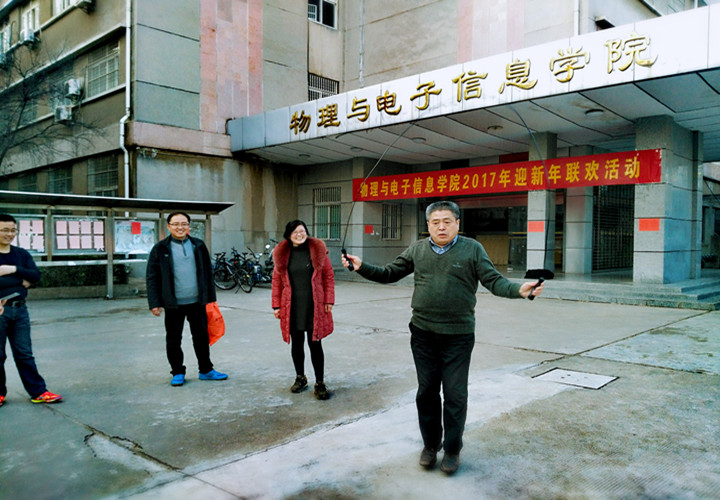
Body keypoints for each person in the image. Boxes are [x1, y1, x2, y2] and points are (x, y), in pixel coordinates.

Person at [342, 200, 544, 475]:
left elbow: (494, 281)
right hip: (423, 334)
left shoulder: (472, 249)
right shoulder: (417, 250)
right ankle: (430, 445)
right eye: (435, 222)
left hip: (458, 336)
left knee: (455, 395)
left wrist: (519, 290)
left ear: (458, 223)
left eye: (447, 221)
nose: (441, 227)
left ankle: (452, 449)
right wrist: (361, 266)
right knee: (426, 393)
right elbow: (390, 273)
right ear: (428, 225)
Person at [146, 212, 227, 386]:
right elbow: (152, 277)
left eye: (184, 224)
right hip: (173, 304)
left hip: (197, 302)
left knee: (201, 337)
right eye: (175, 224)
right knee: (174, 339)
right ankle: (177, 372)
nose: (180, 227)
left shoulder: (198, 245)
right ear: (169, 226)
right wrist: (154, 303)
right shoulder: (160, 248)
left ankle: (206, 370)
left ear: (189, 226)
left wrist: (210, 298)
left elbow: (207, 272)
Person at [0, 213, 63, 408]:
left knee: (25, 353)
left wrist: (12, 270)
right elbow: (24, 280)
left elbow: (36, 276)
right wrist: (21, 281)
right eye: (5, 230)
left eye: (13, 230)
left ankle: (38, 392)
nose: (9, 234)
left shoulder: (21, 254)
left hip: (20, 311)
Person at [272, 220, 335, 400]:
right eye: (295, 232)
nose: (299, 235)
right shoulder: (282, 254)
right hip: (292, 306)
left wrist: (329, 300)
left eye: (302, 231)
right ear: (289, 235)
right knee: (297, 343)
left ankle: (320, 383)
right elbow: (276, 281)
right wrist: (276, 305)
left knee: (315, 344)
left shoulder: (317, 251)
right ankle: (300, 378)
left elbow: (328, 277)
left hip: (314, 305)